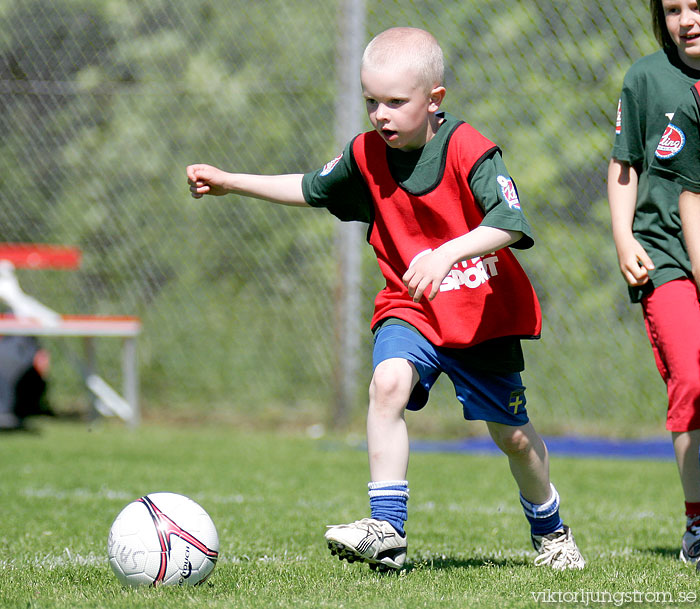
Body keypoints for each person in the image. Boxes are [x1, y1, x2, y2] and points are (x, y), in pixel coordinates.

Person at [187, 26, 584, 571]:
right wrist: (232, 181)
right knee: (388, 383)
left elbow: (510, 223)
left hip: (479, 316)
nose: (380, 114)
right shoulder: (366, 153)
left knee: (514, 437)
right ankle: (388, 531)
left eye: (396, 102)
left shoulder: (470, 148)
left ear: (434, 99)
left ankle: (552, 530)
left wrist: (448, 253)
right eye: (371, 100)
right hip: (411, 307)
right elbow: (309, 187)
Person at [608, 0, 700, 565]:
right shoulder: (646, 78)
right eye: (674, 9)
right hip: (665, 256)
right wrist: (624, 238)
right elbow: (625, 165)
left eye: (697, 6)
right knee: (691, 377)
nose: (688, 19)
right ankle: (698, 522)